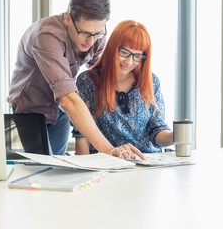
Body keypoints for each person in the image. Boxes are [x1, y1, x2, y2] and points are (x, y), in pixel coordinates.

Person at [7, 0, 144, 160]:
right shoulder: (47, 36)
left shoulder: (96, 35)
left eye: (97, 33)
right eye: (85, 33)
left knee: (59, 167)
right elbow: (68, 99)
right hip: (30, 110)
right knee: (40, 169)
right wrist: (109, 150)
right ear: (67, 18)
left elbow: (98, 73)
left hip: (60, 110)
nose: (91, 41)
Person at [72, 20, 174, 155]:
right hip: (106, 162)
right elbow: (82, 134)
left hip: (146, 162)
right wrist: (85, 170)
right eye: (125, 52)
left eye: (137, 56)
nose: (129, 61)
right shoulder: (88, 81)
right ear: (113, 48)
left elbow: (157, 130)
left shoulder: (151, 81)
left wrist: (176, 136)